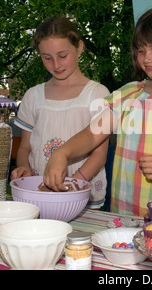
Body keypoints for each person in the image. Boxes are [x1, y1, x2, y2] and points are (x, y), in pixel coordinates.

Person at [43, 5, 152, 216]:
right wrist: (62, 153)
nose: (146, 59)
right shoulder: (128, 94)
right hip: (124, 217)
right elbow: (91, 135)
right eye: (141, 50)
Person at [11, 17, 110, 209]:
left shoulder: (99, 94)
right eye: (46, 57)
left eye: (62, 55)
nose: (55, 64)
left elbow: (99, 154)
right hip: (40, 195)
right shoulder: (33, 96)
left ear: (79, 47)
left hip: (82, 197)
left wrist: (74, 184)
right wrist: (23, 167)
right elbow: (25, 148)